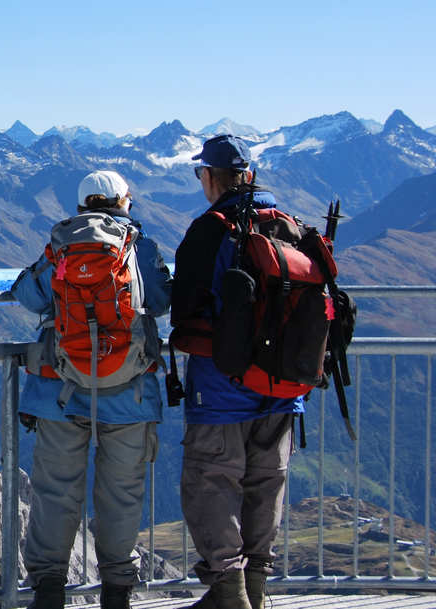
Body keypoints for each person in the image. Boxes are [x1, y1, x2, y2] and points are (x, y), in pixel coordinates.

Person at [11, 170, 172, 609]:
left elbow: (27, 294)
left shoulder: (62, 247)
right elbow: (159, 300)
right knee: (120, 495)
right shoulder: (140, 247)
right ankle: (117, 591)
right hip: (130, 393)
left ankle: (47, 590)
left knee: (55, 492)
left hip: (59, 393)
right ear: (124, 203)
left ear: (81, 206)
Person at [169, 134, 302, 609]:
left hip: (221, 385)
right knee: (266, 484)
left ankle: (228, 591)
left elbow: (183, 305)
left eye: (199, 174)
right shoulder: (288, 224)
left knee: (213, 483)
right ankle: (257, 587)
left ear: (211, 176)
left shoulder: (211, 228)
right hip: (283, 386)